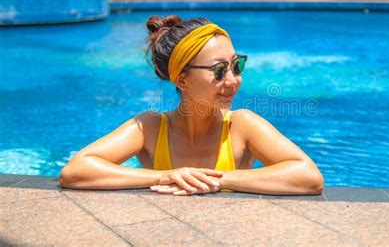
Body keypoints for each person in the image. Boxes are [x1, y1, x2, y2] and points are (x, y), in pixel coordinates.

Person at [59, 15, 324, 196]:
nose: (233, 80)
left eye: (236, 65)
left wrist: (216, 181)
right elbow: (76, 170)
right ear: (182, 79)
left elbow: (309, 177)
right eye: (219, 70)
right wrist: (166, 176)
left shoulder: (241, 125)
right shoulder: (151, 128)